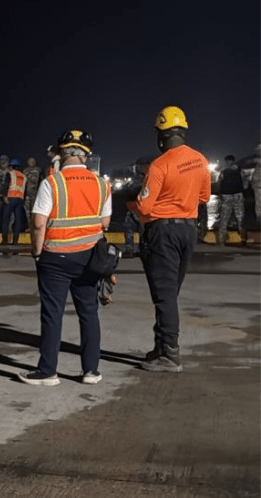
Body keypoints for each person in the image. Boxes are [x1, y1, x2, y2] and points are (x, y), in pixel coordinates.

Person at [19, 129, 111, 386]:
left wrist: (37, 254)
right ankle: (90, 371)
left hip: (56, 259)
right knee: (89, 313)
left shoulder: (53, 182)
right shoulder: (102, 184)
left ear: (61, 154)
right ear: (86, 156)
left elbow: (38, 224)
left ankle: (48, 371)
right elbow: (104, 222)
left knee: (52, 314)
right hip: (90, 258)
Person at [127, 105, 211, 373]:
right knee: (170, 292)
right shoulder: (200, 160)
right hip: (188, 230)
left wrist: (132, 204)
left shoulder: (160, 164)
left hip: (162, 232)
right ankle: (161, 346)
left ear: (161, 135)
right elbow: (204, 197)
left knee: (164, 296)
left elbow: (146, 207)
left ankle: (170, 355)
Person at [217, 154, 246, 245]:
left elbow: (219, 182)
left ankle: (222, 239)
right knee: (239, 217)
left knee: (226, 217)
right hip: (236, 195)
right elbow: (245, 183)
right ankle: (242, 238)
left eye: (228, 161)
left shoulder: (224, 172)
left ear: (231, 161)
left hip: (229, 196)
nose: (228, 162)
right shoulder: (239, 170)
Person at [0, 158, 27, 245]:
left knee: (5, 219)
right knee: (18, 220)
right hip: (20, 199)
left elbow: (6, 185)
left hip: (11, 198)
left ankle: (5, 240)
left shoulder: (10, 174)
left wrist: (4, 196)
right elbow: (25, 190)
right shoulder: (23, 176)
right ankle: (15, 241)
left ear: (11, 167)